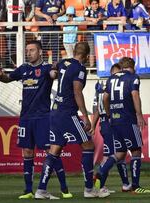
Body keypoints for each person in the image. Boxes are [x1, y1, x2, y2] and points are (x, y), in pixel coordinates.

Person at [0, 40, 72, 200]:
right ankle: (28, 190)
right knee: (27, 152)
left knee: (51, 152)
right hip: (26, 118)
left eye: (32, 50)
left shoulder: (46, 68)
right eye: (27, 50)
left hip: (43, 117)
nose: (28, 53)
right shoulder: (23, 69)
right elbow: (8, 79)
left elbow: (53, 75)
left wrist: (56, 69)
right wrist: (1, 75)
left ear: (40, 52)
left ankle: (64, 188)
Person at [35, 42, 108, 199]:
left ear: (74, 51)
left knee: (54, 149)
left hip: (55, 111)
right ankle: (89, 189)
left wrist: (54, 71)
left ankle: (41, 190)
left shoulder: (63, 62)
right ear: (86, 56)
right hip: (67, 112)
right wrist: (85, 116)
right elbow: (77, 92)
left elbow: (54, 68)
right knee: (88, 145)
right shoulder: (80, 68)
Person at [103, 57, 150, 194]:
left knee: (120, 152)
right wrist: (139, 114)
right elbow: (135, 95)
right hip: (128, 119)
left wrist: (109, 113)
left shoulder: (111, 78)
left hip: (115, 120)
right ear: (132, 66)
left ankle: (101, 172)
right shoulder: (133, 77)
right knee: (136, 151)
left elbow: (105, 98)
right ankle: (136, 186)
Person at [90, 64, 120, 194]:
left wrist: (93, 126)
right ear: (114, 73)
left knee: (107, 156)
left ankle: (100, 186)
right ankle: (99, 176)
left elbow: (96, 110)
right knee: (115, 154)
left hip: (104, 124)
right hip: (110, 124)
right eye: (119, 73)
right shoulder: (113, 87)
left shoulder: (101, 87)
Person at [84, 0, 106, 68]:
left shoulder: (101, 9)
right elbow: (84, 17)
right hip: (90, 33)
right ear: (90, 4)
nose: (95, 5)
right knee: (91, 50)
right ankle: (92, 67)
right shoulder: (88, 9)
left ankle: (99, 66)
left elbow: (106, 16)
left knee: (99, 50)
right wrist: (92, 19)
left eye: (96, 3)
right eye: (93, 4)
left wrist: (100, 18)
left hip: (99, 33)